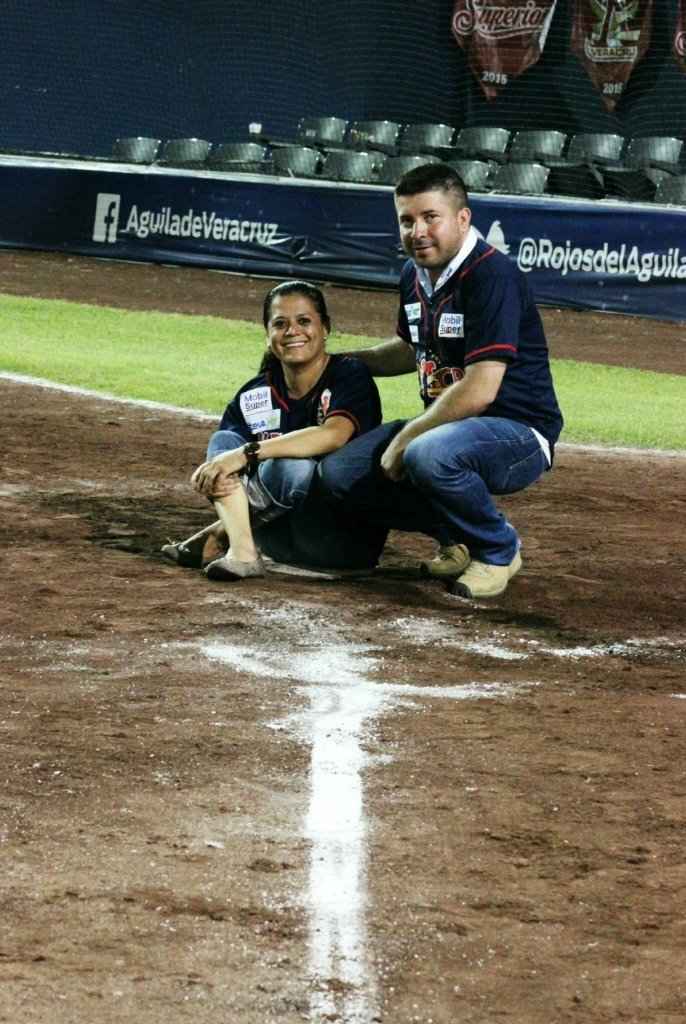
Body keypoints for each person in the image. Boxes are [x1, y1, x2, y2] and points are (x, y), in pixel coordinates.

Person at [318, 162, 563, 599]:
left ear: (462, 218)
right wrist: (335, 362)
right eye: (407, 220)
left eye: (431, 217)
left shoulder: (492, 274)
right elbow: (409, 348)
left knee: (426, 453)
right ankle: (459, 538)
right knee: (341, 474)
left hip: (518, 431)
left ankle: (499, 549)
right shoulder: (413, 275)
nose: (418, 231)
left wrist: (404, 437)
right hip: (455, 428)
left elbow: (481, 388)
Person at [162, 280, 386, 580]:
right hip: (278, 538)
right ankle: (241, 551)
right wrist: (230, 457)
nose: (292, 331)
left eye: (304, 321)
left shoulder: (349, 375)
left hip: (340, 541)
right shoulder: (253, 394)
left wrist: (246, 454)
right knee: (225, 440)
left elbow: (334, 434)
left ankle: (220, 535)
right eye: (280, 323)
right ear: (268, 335)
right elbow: (221, 463)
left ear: (325, 328)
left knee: (290, 467)